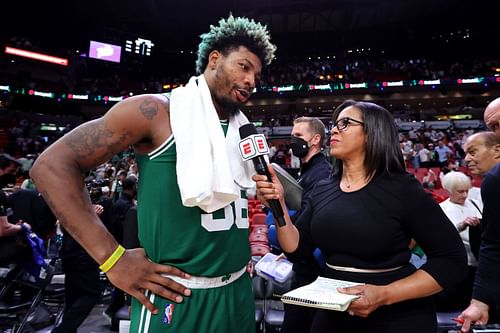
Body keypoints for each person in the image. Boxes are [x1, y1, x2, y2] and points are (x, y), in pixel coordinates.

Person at [30, 15, 276, 333]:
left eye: (257, 73)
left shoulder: (242, 129)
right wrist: (112, 258)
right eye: (244, 66)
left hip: (237, 291)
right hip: (179, 295)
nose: (251, 80)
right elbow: (51, 166)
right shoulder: (156, 111)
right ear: (214, 59)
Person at [253, 100, 467, 333]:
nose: (333, 129)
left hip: (397, 318)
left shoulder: (404, 190)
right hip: (332, 313)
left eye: (345, 123)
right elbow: (297, 249)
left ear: (373, 132)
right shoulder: (324, 188)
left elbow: (451, 260)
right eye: (334, 124)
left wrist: (384, 295)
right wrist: (278, 204)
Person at [281, 117, 331, 333]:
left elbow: (310, 222)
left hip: (314, 273)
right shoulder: (309, 170)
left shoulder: (321, 173)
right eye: (292, 136)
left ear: (315, 139)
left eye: (298, 136)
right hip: (304, 265)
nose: (293, 140)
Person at [458, 130, 500, 332]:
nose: (467, 159)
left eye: (473, 152)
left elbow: (494, 244)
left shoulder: (494, 179)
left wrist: (480, 301)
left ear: (497, 150)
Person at [435, 171, 482, 310]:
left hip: (479, 260)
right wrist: (462, 225)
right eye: (460, 192)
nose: (465, 195)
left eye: (467, 191)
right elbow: (442, 235)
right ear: (449, 191)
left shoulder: (474, 203)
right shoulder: (442, 209)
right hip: (461, 263)